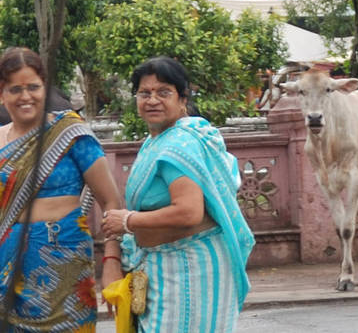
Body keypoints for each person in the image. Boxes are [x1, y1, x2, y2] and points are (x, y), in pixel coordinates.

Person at [101, 56, 255, 332]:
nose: (152, 100)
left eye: (163, 92)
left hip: (190, 270)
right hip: (163, 268)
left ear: (182, 99)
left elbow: (189, 212)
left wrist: (128, 222)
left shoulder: (180, 143)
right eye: (144, 93)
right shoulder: (157, 140)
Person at [0, 47, 123, 331]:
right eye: (15, 88)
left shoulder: (70, 133)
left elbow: (111, 201)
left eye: (33, 86)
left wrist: (112, 260)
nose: (25, 96)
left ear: (45, 87)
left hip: (63, 262)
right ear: (2, 94)